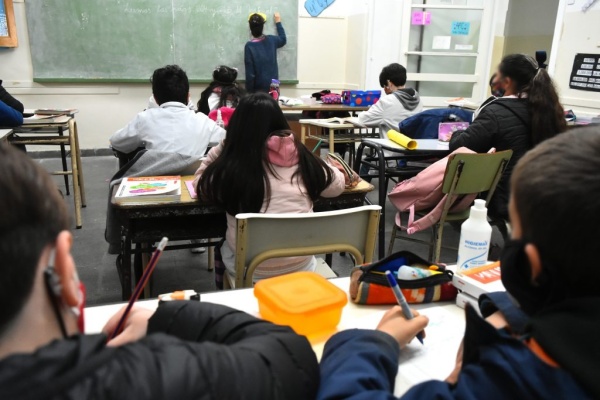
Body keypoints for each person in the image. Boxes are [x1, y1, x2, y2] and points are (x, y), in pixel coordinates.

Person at [0, 143, 320, 399]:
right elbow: (290, 360)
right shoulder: (143, 376)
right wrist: (166, 320)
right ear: (63, 268)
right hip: (303, 277)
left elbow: (119, 142)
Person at [318, 128, 600, 399]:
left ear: (533, 265)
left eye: (515, 232)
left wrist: (375, 343)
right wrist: (509, 312)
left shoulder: (511, 381)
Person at [196, 93, 345, 284]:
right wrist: (332, 167)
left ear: (237, 128)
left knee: (225, 246)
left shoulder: (231, 166)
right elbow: (336, 186)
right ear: (281, 123)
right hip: (301, 267)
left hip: (249, 271)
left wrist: (222, 148)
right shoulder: (303, 157)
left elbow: (201, 186)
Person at [449, 54, 567, 220]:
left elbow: (459, 146)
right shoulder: (551, 110)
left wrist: (456, 133)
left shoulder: (496, 112)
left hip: (504, 197)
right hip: (545, 194)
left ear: (507, 81)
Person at [110, 65, 225, 164]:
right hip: (192, 183)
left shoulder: (145, 118)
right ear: (188, 96)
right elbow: (228, 140)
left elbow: (116, 142)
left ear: (155, 98)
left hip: (155, 183)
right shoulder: (203, 121)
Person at [358, 63, 422, 135]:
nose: (384, 90)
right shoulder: (417, 99)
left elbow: (363, 120)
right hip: (413, 144)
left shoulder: (387, 101)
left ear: (389, 83)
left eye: (384, 86)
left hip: (391, 144)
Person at [244, 12, 287, 93]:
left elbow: (250, 74)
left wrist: (249, 93)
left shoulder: (249, 46)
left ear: (250, 28)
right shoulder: (272, 40)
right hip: (274, 86)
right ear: (263, 27)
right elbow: (283, 39)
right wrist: (278, 22)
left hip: (258, 90)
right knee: (273, 105)